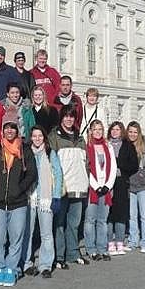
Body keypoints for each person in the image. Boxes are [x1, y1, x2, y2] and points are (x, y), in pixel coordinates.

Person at [0, 122, 37, 286]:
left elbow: (32, 173)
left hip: (18, 203)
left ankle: (12, 268)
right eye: (6, 127)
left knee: (16, 238)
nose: (9, 130)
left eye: (13, 127)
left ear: (17, 131)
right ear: (2, 130)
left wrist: (20, 189)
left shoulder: (25, 149)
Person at [49, 104, 90, 268]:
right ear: (61, 118)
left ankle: (73, 253)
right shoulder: (55, 136)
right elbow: (52, 163)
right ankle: (59, 256)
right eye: (66, 116)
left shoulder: (80, 138)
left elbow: (85, 163)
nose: (68, 119)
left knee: (74, 223)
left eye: (71, 116)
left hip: (78, 186)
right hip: (63, 187)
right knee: (59, 223)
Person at [22, 126, 62, 278]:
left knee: (46, 233)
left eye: (40, 136)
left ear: (44, 137)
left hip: (46, 198)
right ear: (30, 137)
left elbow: (58, 175)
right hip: (30, 197)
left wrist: (56, 196)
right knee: (28, 232)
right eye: (34, 136)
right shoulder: (27, 153)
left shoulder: (50, 153)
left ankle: (45, 265)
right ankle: (26, 263)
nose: (37, 138)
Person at [84, 120, 117, 261]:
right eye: (95, 129)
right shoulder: (87, 147)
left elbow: (113, 167)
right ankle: (91, 249)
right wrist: (96, 185)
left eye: (100, 129)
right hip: (93, 189)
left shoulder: (107, 146)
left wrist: (107, 186)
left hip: (106, 188)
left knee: (102, 220)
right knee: (90, 219)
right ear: (90, 131)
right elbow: (87, 168)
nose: (98, 132)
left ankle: (102, 248)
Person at [106, 121, 138, 255]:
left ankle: (119, 241)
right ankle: (109, 242)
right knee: (109, 213)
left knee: (120, 212)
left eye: (117, 129)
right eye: (113, 129)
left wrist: (118, 164)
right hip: (107, 181)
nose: (115, 132)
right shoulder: (105, 144)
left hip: (121, 181)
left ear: (121, 131)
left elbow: (133, 165)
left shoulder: (127, 145)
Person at [126, 120, 145, 253]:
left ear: (139, 133)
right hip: (130, 185)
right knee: (132, 216)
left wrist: (142, 174)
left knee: (144, 216)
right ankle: (133, 240)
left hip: (143, 185)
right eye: (130, 131)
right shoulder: (126, 145)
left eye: (135, 132)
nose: (132, 134)